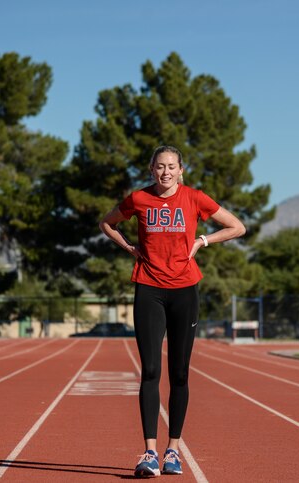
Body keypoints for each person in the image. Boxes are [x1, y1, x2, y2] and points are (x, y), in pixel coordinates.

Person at [99, 145, 246, 477]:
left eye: (171, 167)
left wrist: (203, 242)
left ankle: (173, 451)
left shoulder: (194, 198)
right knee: (150, 370)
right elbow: (107, 224)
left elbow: (237, 227)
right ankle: (150, 452)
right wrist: (129, 247)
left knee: (180, 373)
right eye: (159, 166)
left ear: (181, 170)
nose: (165, 172)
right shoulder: (138, 199)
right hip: (149, 289)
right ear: (151, 169)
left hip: (184, 291)